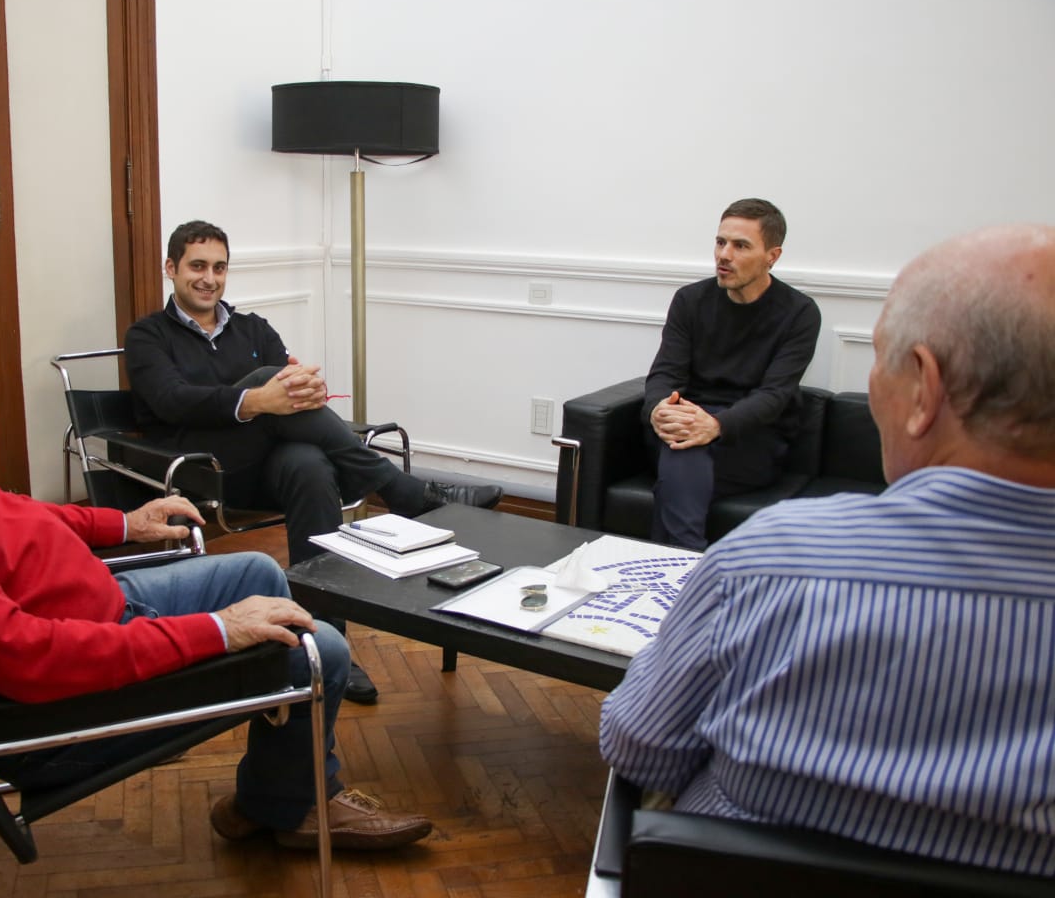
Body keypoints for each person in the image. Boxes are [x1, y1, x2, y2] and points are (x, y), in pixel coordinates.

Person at [0, 258, 434, 851]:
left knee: (261, 571)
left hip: (92, 603)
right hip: (53, 707)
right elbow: (23, 657)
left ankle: (273, 800)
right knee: (319, 649)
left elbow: (1, 512)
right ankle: (294, 806)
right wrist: (216, 632)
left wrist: (120, 523)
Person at [600, 223, 1055, 875]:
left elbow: (638, 746)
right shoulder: (693, 302)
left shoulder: (764, 562)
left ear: (924, 391)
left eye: (881, 359)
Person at [124, 220, 504, 703]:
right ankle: (402, 491)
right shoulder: (147, 336)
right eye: (197, 266)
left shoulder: (252, 327)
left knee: (308, 462)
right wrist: (259, 399)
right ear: (171, 268)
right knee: (266, 379)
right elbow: (172, 400)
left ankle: (326, 645)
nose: (209, 278)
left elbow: (295, 390)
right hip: (202, 475)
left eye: (219, 267)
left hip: (269, 468)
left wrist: (306, 392)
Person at [642, 198, 821, 549]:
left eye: (741, 246)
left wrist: (716, 426)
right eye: (720, 242)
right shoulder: (690, 301)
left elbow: (774, 396)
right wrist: (658, 409)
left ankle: (680, 557)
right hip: (685, 425)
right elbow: (664, 374)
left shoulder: (799, 313)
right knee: (684, 444)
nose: (724, 255)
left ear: (773, 255)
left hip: (750, 439)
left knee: (682, 454)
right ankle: (687, 564)